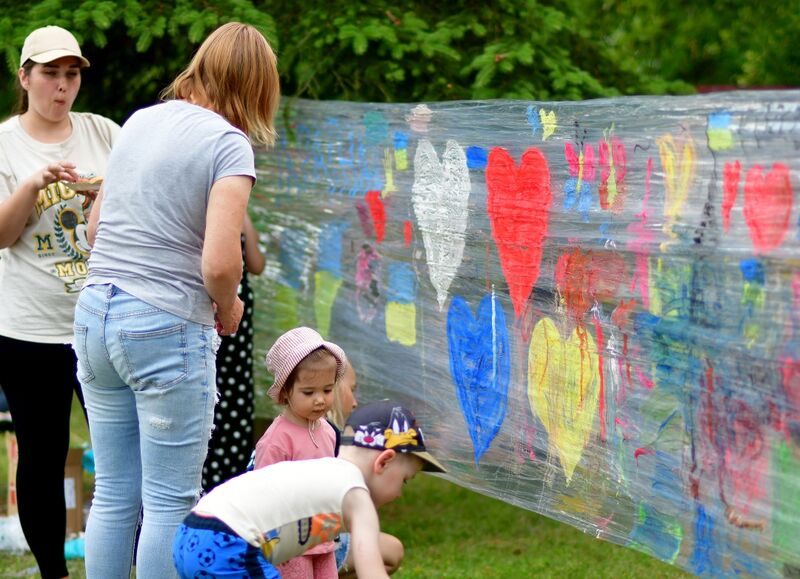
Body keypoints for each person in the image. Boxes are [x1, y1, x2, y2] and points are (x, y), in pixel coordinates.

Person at [72, 22, 280, 578]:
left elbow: (95, 230)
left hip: (95, 313)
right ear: (257, 86)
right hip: (164, 324)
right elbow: (220, 261)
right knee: (169, 500)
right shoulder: (228, 144)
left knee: (115, 493)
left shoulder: (140, 122)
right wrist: (229, 306)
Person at [0, 25, 119, 579]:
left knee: (123, 455)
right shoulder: (5, 143)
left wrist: (105, 194)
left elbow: (142, 204)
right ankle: (54, 573)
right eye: (49, 73)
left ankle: (117, 562)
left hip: (106, 321)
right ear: (24, 77)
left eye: (71, 74)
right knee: (41, 460)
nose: (62, 86)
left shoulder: (104, 133)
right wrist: (31, 185)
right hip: (29, 328)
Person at [173, 400, 447, 578]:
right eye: (405, 480)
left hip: (192, 530)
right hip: (229, 541)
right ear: (384, 461)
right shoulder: (355, 492)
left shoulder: (322, 471)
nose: (400, 493)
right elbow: (371, 570)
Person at [254, 326, 347, 579]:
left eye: (327, 390)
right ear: (285, 392)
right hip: (290, 541)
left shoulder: (327, 430)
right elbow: (262, 495)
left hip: (323, 532)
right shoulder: (276, 440)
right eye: (309, 392)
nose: (320, 400)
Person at [202, 213, 265, 491]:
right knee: (224, 398)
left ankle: (219, 482)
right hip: (222, 315)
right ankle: (226, 485)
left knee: (220, 398)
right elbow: (256, 264)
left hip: (225, 319)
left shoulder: (230, 212)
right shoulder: (228, 213)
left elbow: (256, 264)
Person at [327, 362, 405, 578]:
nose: (355, 402)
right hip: (285, 553)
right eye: (352, 390)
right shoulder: (330, 444)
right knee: (388, 549)